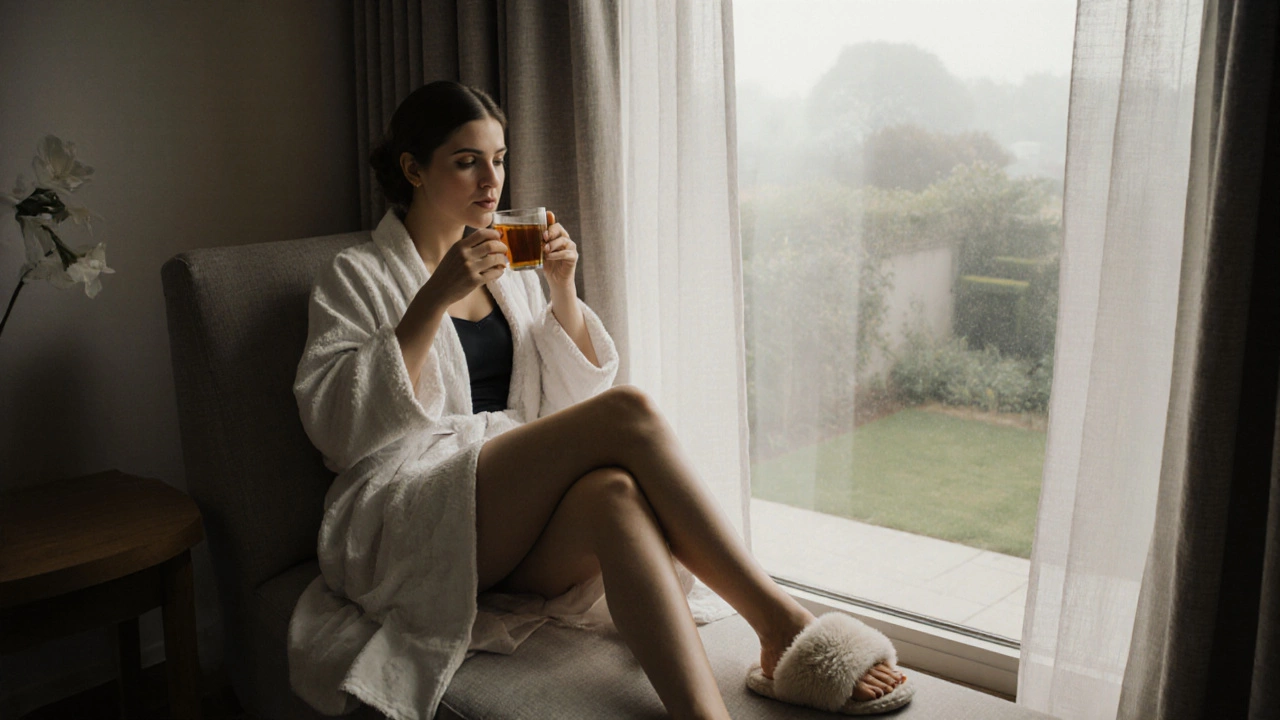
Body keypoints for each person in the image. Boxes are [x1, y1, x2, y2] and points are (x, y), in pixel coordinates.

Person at [288, 80, 912, 720]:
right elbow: (338, 426)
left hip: (499, 521)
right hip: (406, 518)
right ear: (413, 169)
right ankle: (782, 623)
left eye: (499, 158)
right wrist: (432, 298)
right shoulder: (355, 274)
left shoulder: (508, 260)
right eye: (467, 160)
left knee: (613, 496)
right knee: (627, 412)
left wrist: (561, 289)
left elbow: (562, 408)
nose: (492, 179)